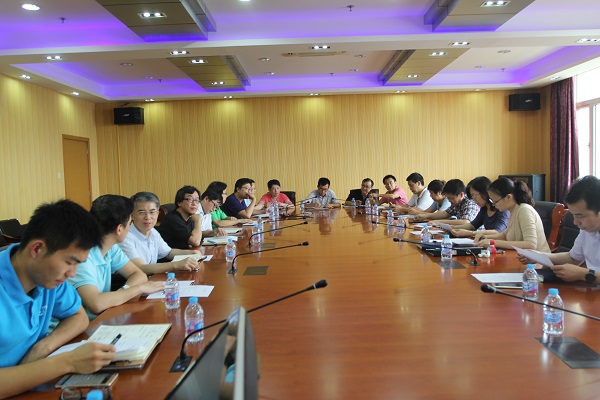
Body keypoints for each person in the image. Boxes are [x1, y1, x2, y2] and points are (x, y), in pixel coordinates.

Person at [0, 200, 116, 398]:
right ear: (37, 249)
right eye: (70, 262)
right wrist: (67, 362)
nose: (72, 273)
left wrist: (43, 347)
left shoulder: (47, 278)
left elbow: (78, 316)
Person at [69, 195, 164, 319]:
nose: (129, 228)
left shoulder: (111, 247)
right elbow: (96, 304)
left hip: (106, 316)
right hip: (85, 325)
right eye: (129, 223)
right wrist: (139, 289)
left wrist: (123, 292)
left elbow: (139, 275)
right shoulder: (82, 256)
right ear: (119, 229)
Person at [517, 175, 600, 282]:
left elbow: (581, 271)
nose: (575, 222)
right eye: (573, 215)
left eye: (580, 216)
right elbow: (573, 258)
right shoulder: (587, 230)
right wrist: (539, 256)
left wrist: (583, 274)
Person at [119, 192, 202, 275]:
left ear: (157, 214)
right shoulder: (125, 237)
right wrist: (176, 265)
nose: (148, 217)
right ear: (132, 215)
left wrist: (190, 253)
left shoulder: (153, 232)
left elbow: (168, 253)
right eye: (142, 212)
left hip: (152, 278)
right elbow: (140, 268)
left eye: (152, 212)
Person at [474, 177, 550, 251]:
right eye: (492, 201)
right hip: (522, 256)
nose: (494, 205)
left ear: (508, 197)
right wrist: (484, 237)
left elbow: (531, 244)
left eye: (495, 201)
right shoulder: (513, 211)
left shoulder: (524, 210)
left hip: (538, 258)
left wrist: (493, 242)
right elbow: (504, 235)